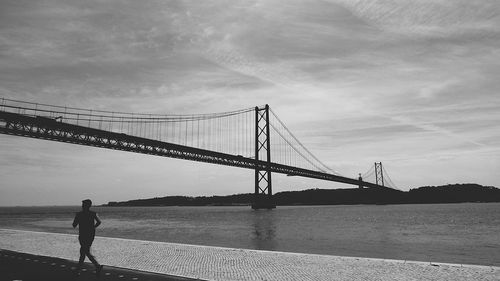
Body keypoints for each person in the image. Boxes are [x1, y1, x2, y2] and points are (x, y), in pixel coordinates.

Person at [72, 199, 103, 276]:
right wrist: (93, 227)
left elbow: (74, 225)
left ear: (86, 205)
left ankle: (96, 266)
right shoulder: (93, 213)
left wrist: (77, 218)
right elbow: (99, 222)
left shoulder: (79, 214)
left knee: (84, 251)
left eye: (83, 205)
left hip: (83, 235)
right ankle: (96, 266)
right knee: (84, 252)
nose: (82, 206)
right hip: (90, 235)